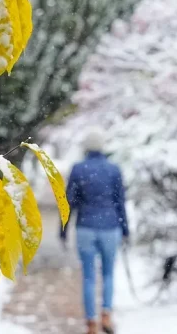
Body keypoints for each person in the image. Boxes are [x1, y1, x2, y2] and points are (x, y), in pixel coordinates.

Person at [61, 128, 129, 334]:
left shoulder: (78, 169)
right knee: (108, 274)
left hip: (86, 228)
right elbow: (120, 202)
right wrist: (125, 229)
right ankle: (106, 315)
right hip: (110, 227)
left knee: (89, 276)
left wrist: (63, 229)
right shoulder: (113, 169)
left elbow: (68, 202)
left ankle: (91, 323)